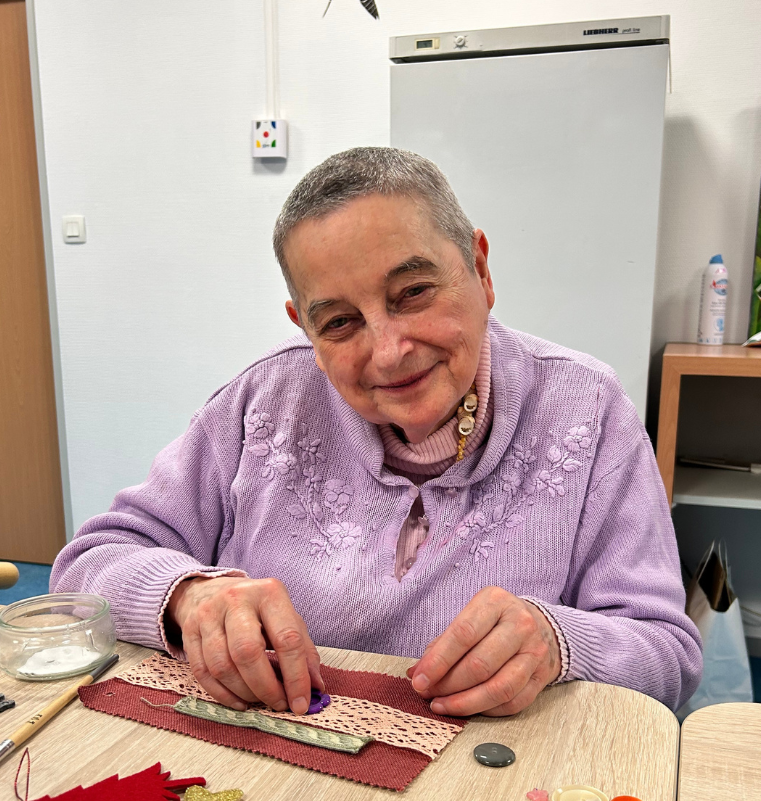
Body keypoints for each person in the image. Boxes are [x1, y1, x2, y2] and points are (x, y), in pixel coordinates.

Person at [51, 147, 702, 716]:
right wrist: (190, 597)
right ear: (305, 327)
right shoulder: (262, 403)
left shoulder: (587, 409)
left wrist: (559, 643)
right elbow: (89, 563)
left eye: (413, 292)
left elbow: (666, 652)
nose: (389, 352)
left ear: (480, 269)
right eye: (339, 322)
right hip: (269, 768)